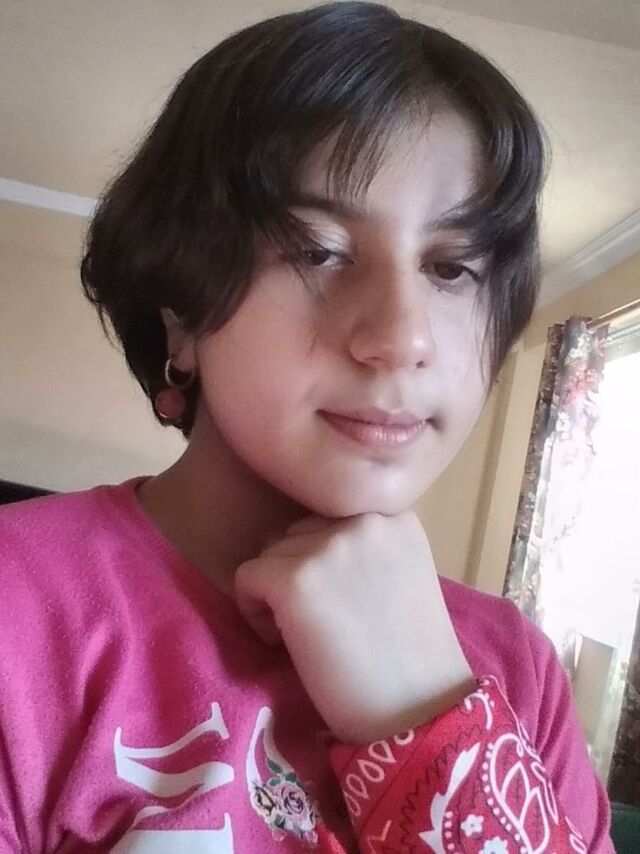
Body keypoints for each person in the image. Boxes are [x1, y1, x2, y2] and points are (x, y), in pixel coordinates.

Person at [0, 2, 614, 852]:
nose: (403, 339)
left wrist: (427, 718)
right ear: (181, 313)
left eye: (453, 268)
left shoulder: (516, 668)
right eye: (319, 251)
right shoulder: (21, 609)